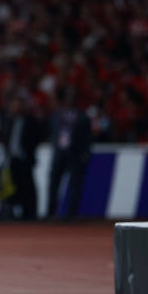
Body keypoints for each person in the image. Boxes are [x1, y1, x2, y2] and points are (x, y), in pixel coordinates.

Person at [47, 87, 92, 220]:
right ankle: (51, 212)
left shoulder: (83, 117)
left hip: (75, 154)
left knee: (75, 184)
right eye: (68, 96)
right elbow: (53, 132)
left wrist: (85, 153)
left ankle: (71, 213)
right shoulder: (57, 115)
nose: (70, 99)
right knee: (54, 182)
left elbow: (87, 137)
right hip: (59, 153)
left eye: (72, 96)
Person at [0, 96, 40, 220]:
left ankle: (30, 214)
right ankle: (13, 213)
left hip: (24, 159)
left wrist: (28, 152)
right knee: (13, 187)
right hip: (12, 159)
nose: (14, 109)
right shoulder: (9, 121)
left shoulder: (30, 121)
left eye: (17, 106)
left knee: (27, 186)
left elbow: (35, 138)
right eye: (13, 106)